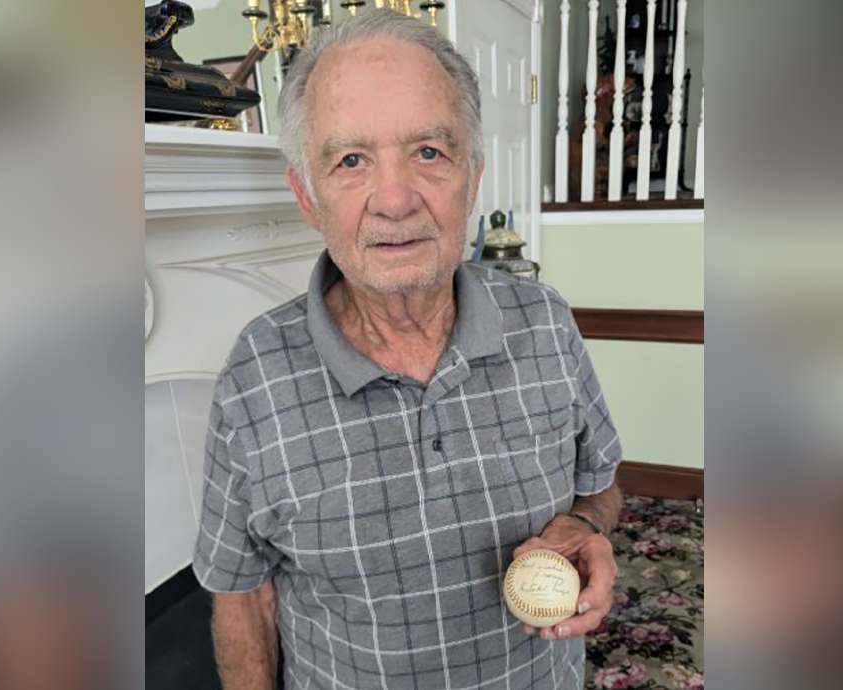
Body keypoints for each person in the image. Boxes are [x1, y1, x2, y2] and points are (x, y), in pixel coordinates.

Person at [193, 9, 623, 689]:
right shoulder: (256, 376)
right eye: (351, 160)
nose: (394, 200)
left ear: (472, 176)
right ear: (307, 195)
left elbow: (600, 488)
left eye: (428, 151)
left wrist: (580, 526)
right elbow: (243, 593)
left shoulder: (545, 323)